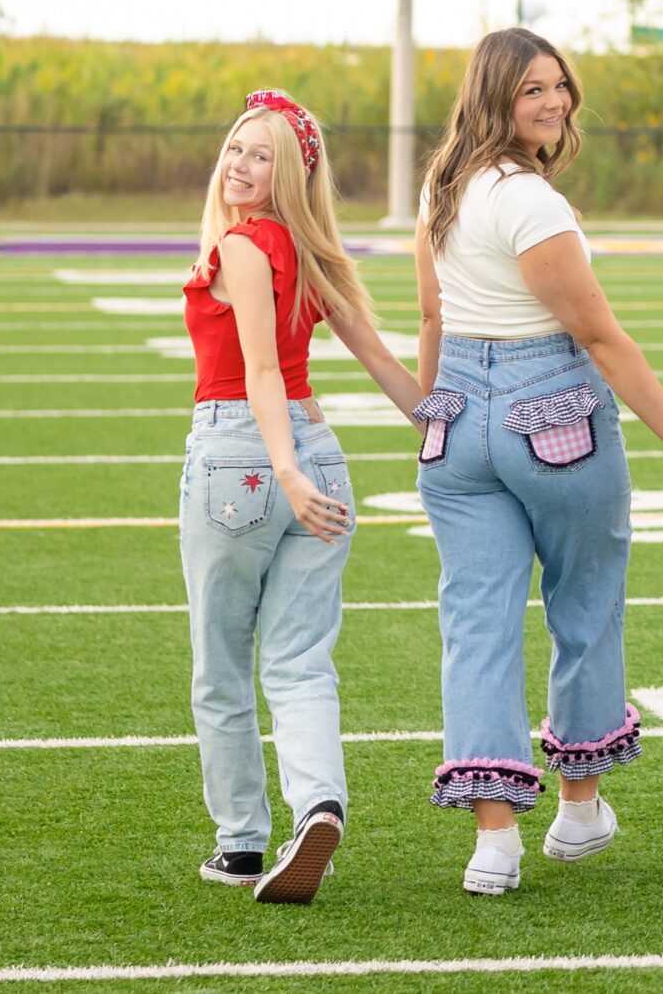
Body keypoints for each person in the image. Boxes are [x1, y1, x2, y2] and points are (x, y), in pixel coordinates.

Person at [414, 29, 663, 896]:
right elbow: (596, 334)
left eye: (559, 86)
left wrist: (436, 415)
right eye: (531, 91)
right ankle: (579, 808)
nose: (553, 102)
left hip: (458, 417)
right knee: (584, 601)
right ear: (494, 99)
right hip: (547, 407)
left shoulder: (443, 185)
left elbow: (433, 318)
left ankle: (494, 842)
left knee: (476, 620)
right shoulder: (530, 201)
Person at [181, 89, 424, 903]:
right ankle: (319, 803)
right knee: (300, 661)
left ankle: (243, 843)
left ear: (289, 175)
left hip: (245, 461)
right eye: (237, 148)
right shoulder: (314, 253)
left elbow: (257, 372)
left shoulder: (246, 247)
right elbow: (384, 363)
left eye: (262, 156)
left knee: (222, 667)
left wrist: (280, 467)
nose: (241, 165)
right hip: (320, 458)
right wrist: (437, 422)